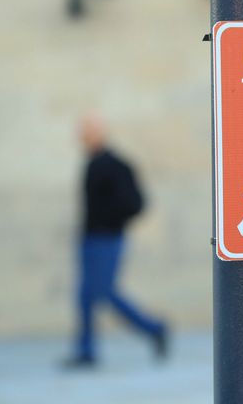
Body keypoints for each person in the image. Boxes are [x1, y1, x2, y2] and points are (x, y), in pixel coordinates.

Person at [64, 114, 168, 368]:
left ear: (99, 133)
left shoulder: (115, 164)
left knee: (104, 292)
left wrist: (108, 220)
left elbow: (134, 203)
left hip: (107, 238)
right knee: (86, 296)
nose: (82, 137)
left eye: (86, 131)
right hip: (90, 238)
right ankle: (86, 351)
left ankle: (153, 328)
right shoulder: (93, 162)